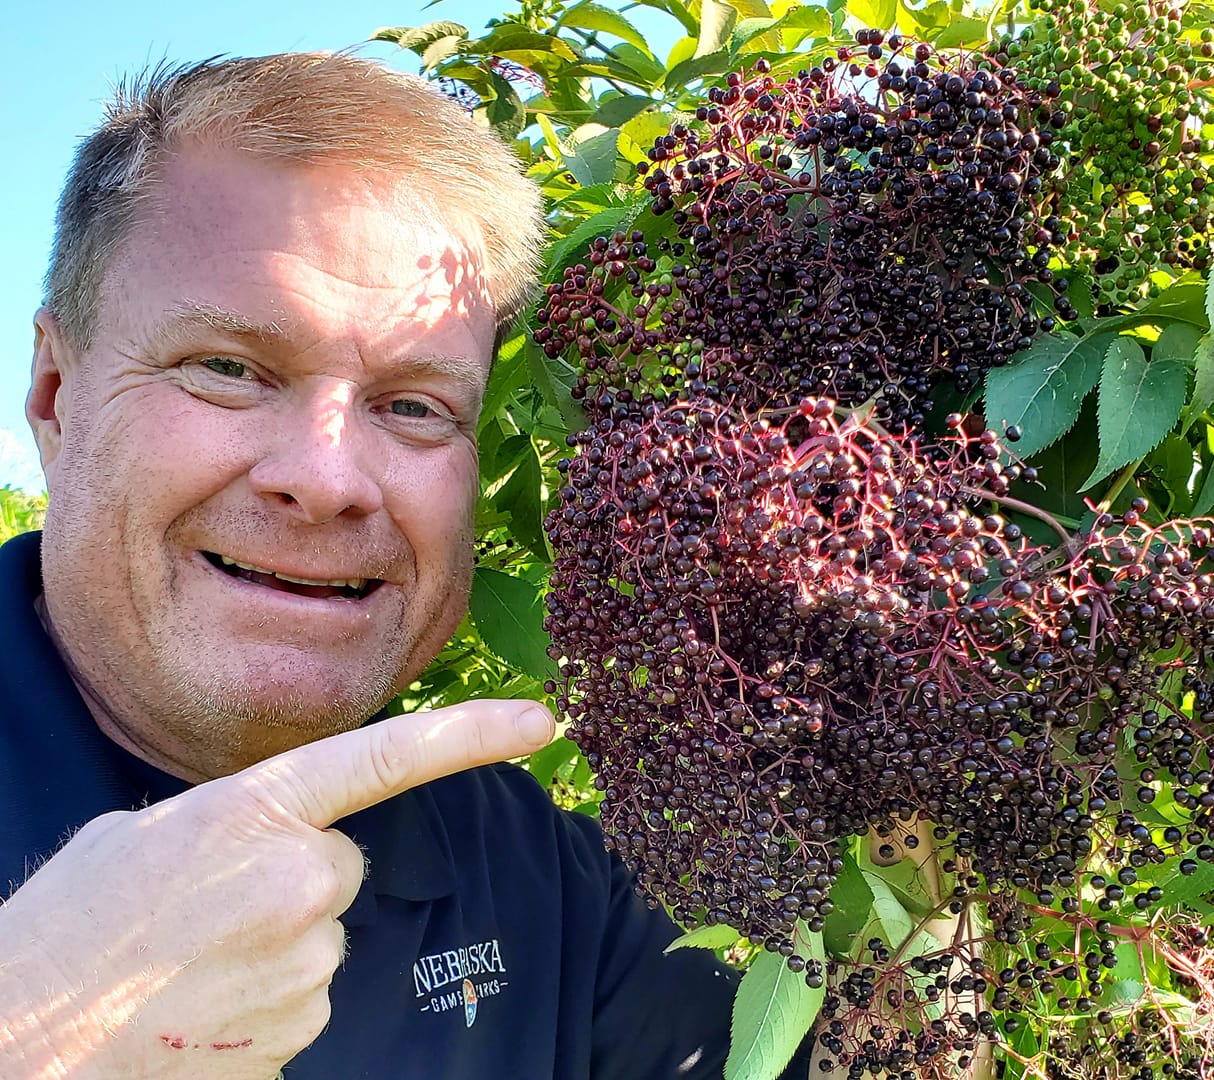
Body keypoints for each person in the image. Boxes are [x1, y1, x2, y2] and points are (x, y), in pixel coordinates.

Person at [0, 53, 793, 1079]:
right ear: (58, 396)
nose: (328, 480)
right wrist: (34, 1022)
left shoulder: (538, 873)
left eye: (415, 405)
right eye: (230, 369)